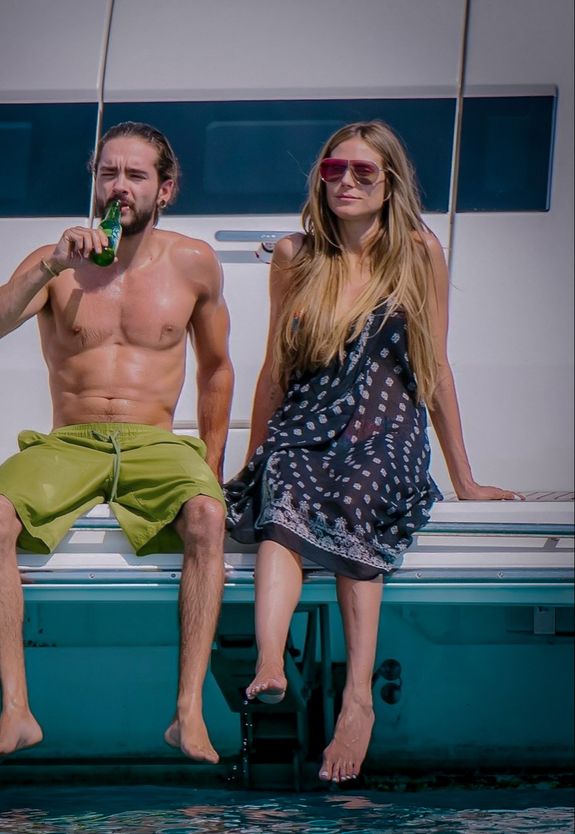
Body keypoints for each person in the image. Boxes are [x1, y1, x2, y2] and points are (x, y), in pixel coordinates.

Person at [224, 120, 523, 784]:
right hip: (307, 418)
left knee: (360, 492)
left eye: (363, 172)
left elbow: (435, 366)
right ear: (320, 178)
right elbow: (273, 369)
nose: (347, 183)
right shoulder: (296, 256)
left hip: (386, 426)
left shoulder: (418, 251)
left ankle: (357, 699)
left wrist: (464, 480)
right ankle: (271, 663)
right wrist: (253, 458)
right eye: (334, 170)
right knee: (282, 485)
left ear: (389, 184)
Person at [0, 121, 234, 765]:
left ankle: (188, 713)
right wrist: (51, 266)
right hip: (71, 440)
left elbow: (218, 367)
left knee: (207, 515)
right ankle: (17, 710)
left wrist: (213, 466)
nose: (118, 188)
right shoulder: (56, 259)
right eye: (107, 173)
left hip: (155, 441)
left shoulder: (194, 261)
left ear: (165, 189)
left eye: (135, 175)